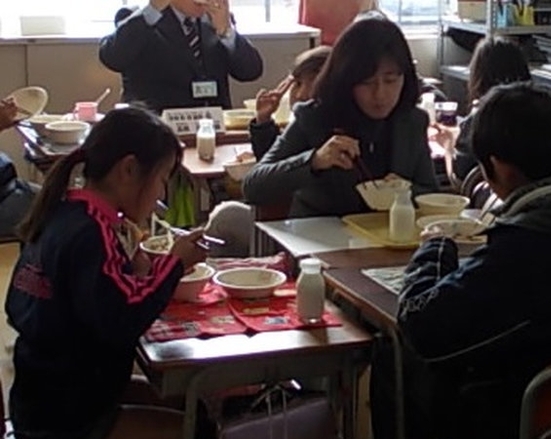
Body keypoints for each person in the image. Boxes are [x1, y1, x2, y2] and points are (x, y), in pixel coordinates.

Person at [385, 83, 551, 438]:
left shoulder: (525, 247)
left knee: (394, 357)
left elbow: (422, 323)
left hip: (531, 417)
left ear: (499, 167)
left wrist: (436, 246)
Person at [6, 107, 208, 439]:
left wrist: (137, 268)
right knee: (198, 427)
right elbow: (123, 318)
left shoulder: (65, 212)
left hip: (41, 396)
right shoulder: (91, 232)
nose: (161, 194)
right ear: (128, 170)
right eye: (161, 179)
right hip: (67, 416)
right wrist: (175, 264)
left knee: (187, 402)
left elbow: (89, 299)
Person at [242, 15, 438, 218]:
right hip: (321, 240)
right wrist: (315, 160)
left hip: (391, 241)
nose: (380, 94)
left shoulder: (412, 121)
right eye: (367, 83)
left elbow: (431, 192)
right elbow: (253, 187)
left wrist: (405, 191)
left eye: (390, 80)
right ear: (347, 80)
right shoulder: (315, 117)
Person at [202, 45, 332, 257]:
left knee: (225, 217)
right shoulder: (299, 122)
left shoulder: (323, 123)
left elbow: (273, 181)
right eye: (294, 84)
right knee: (225, 214)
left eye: (302, 84)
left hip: (299, 227)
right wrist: (263, 121)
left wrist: (314, 161)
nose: (296, 94)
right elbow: (272, 168)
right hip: (282, 217)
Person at [99, 0, 263, 113]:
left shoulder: (216, 18)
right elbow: (113, 57)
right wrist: (153, 11)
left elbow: (251, 71)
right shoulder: (139, 19)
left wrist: (227, 32)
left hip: (212, 129)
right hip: (156, 135)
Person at [432, 36, 532, 185]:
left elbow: (460, 180)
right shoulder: (537, 110)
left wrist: (448, 146)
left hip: (494, 197)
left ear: (477, 76)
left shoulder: (482, 118)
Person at [249, 45, 332, 161]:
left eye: (314, 85)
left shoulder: (328, 133)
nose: (300, 95)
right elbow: (270, 166)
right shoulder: (297, 124)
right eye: (298, 83)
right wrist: (263, 119)